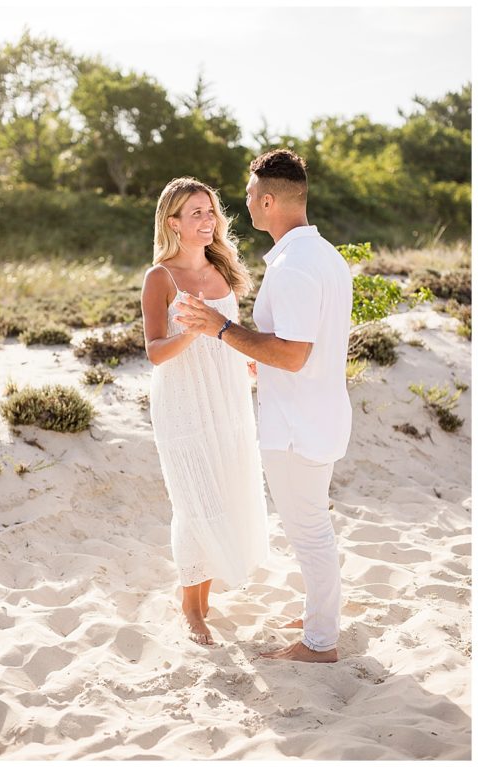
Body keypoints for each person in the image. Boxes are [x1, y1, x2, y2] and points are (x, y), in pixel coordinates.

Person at [176, 149, 352, 663]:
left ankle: (320, 643)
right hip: (320, 415)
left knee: (310, 532)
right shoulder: (323, 256)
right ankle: (320, 614)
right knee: (314, 523)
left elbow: (294, 354)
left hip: (298, 427)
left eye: (251, 193)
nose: (245, 201)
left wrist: (222, 329)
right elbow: (303, 346)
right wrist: (262, 359)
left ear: (269, 199)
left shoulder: (296, 266)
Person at [142, 177, 269, 646]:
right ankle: (190, 611)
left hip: (228, 395)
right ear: (172, 222)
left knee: (226, 487)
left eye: (210, 211)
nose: (207, 220)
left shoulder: (222, 270)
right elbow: (155, 352)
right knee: (194, 500)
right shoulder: (160, 278)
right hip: (182, 400)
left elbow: (230, 331)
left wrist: (247, 357)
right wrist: (193, 333)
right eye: (195, 213)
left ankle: (201, 594)